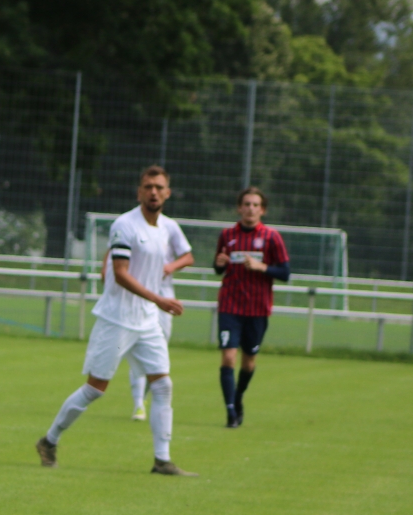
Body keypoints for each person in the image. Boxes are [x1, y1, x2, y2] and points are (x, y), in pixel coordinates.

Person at [37, 166, 193, 475]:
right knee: (95, 388)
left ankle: (162, 460)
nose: (153, 192)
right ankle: (49, 441)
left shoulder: (166, 228)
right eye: (148, 186)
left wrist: (155, 302)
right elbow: (120, 274)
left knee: (163, 385)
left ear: (167, 193)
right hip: (117, 319)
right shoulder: (125, 224)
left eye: (159, 187)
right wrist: (159, 299)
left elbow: (182, 258)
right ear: (139, 192)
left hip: (146, 320)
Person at [213, 187, 290, 428]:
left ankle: (238, 397)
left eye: (255, 205)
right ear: (239, 208)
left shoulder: (271, 237)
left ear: (262, 210)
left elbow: (285, 272)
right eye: (246, 204)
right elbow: (218, 268)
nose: (250, 209)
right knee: (228, 357)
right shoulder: (227, 235)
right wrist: (219, 263)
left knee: (248, 363)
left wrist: (262, 267)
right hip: (230, 306)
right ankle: (230, 412)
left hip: (257, 309)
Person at [129, 223, 194, 420]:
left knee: (157, 351)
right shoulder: (130, 224)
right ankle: (138, 403)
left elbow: (188, 257)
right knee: (137, 348)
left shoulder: (169, 226)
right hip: (138, 294)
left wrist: (170, 267)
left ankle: (144, 397)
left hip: (164, 294)